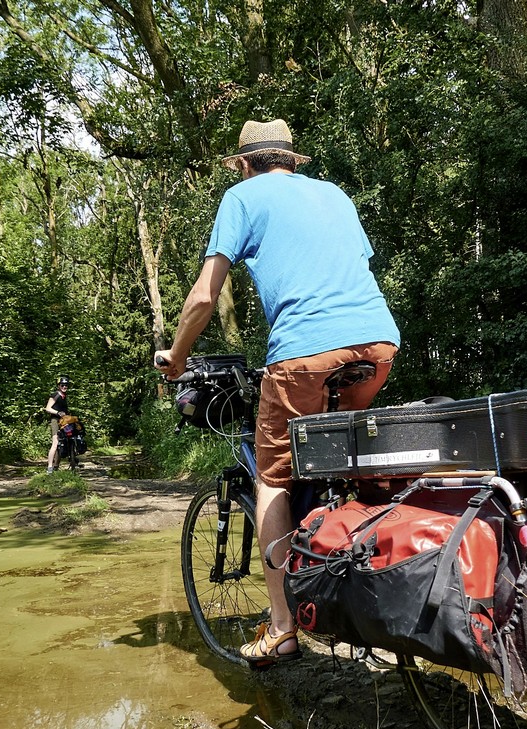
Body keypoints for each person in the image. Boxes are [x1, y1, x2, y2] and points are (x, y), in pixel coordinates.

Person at [154, 119, 400, 667]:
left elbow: (202, 297)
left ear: (243, 165)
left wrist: (175, 357)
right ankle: (361, 572)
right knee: (343, 459)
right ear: (292, 161)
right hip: (378, 344)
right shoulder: (335, 194)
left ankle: (284, 628)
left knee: (273, 478)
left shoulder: (241, 197)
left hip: (306, 352)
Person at [44, 376, 70, 473]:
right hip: (55, 420)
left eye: (66, 385)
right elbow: (47, 408)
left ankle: (56, 466)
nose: (64, 387)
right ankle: (50, 467)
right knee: (55, 443)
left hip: (64, 421)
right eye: (62, 385)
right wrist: (58, 412)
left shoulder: (64, 396)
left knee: (63, 443)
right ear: (59, 385)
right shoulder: (56, 395)